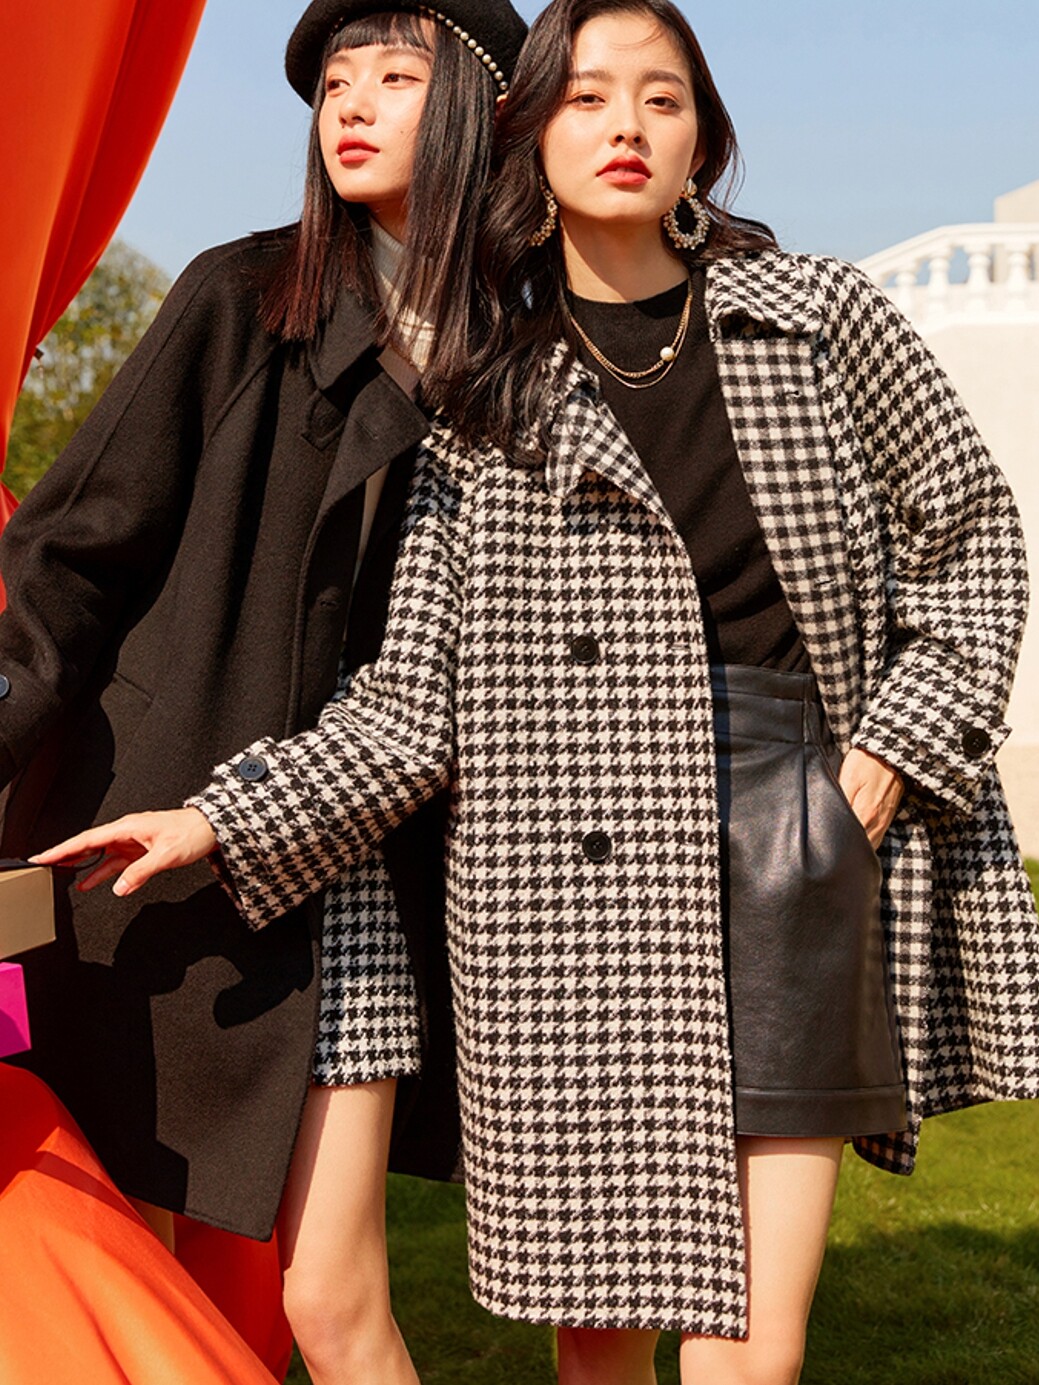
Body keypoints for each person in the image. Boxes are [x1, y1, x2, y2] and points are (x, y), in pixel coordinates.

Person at [37, 1, 1039, 1382]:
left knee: (753, 1354)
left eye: (662, 99)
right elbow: (413, 702)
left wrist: (887, 759)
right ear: (529, 133)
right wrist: (218, 817)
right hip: (575, 897)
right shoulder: (486, 393)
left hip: (793, 833)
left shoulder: (820, 318)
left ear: (702, 138)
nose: (625, 125)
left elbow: (973, 531)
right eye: (587, 97)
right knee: (596, 1348)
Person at [1, 2, 526, 1382]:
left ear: (478, 109)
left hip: (358, 861)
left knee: (330, 1300)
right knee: (133, 1249)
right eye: (335, 80)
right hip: (151, 849)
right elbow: (71, 553)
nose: (350, 103)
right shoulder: (242, 297)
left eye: (397, 76)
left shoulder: (514, 353)